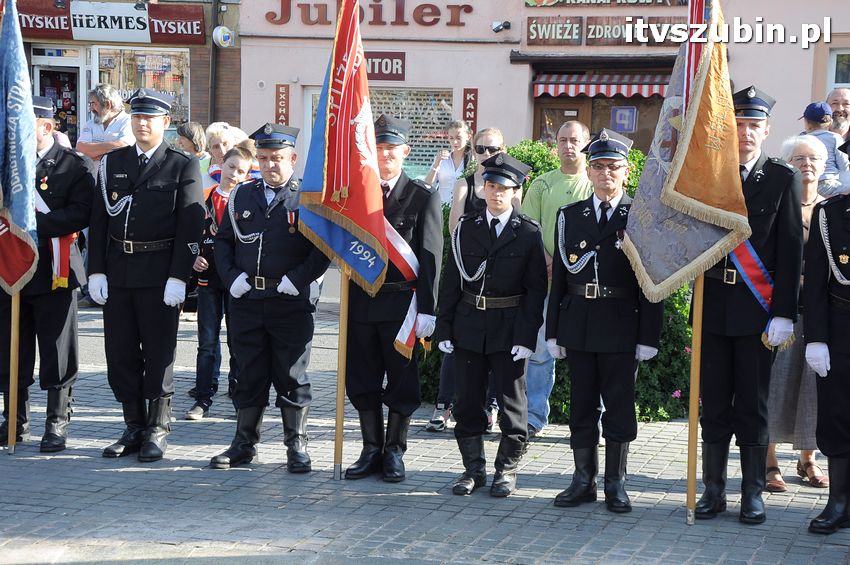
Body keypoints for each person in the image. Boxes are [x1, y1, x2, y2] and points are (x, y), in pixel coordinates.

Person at [695, 86, 803, 524]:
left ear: (766, 130)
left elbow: (792, 248)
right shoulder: (709, 176)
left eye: (754, 126)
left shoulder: (781, 178)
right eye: (739, 125)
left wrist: (783, 312)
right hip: (712, 306)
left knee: (753, 406)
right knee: (714, 404)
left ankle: (752, 493)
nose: (746, 134)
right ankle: (713, 491)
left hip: (758, 312)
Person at [545, 129, 663, 513]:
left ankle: (616, 483)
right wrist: (553, 330)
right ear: (589, 172)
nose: (605, 174)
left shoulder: (640, 217)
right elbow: (560, 278)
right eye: (598, 167)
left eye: (613, 167)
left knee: (618, 405)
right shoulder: (570, 216)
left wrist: (648, 334)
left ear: (627, 172)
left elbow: (651, 281)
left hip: (621, 324)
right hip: (578, 321)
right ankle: (583, 480)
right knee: (580, 405)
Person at [88, 89, 204, 463]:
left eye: (150, 118)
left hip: (158, 274)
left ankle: (157, 427)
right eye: (137, 116)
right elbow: (99, 219)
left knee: (158, 353)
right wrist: (96, 270)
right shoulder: (114, 162)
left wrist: (179, 277)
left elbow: (191, 224)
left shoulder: (181, 164)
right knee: (120, 354)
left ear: (165, 123)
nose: (142, 123)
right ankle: (133, 425)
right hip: (119, 272)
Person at [211, 123, 330, 472]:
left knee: (291, 374)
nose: (269, 165)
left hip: (290, 300)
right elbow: (223, 242)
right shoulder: (241, 195)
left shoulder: (307, 197)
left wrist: (299, 278)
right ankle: (244, 444)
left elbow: (322, 248)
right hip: (248, 299)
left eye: (276, 158)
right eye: (262, 158)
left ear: (292, 158)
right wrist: (231, 277)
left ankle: (297, 445)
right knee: (248, 373)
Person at [436, 153, 547, 497]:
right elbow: (452, 281)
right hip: (470, 325)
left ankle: (507, 470)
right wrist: (445, 328)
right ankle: (473, 470)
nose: (496, 193)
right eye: (491, 186)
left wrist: (527, 336)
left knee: (513, 406)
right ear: (482, 189)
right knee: (468, 402)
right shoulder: (466, 228)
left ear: (516, 191)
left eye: (504, 188)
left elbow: (535, 291)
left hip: (509, 328)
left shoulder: (528, 233)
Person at [344, 115, 442, 483]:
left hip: (403, 306)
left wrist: (429, 310)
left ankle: (395, 451)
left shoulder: (422, 197)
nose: (384, 156)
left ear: (405, 152)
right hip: (362, 301)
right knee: (362, 379)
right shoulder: (356, 197)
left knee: (402, 383)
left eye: (391, 149)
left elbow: (432, 257)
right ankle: (370, 448)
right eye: (378, 148)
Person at [0, 97, 94, 451]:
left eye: (26, 127)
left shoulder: (74, 166)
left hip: (55, 272)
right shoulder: (7, 166)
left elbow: (81, 213)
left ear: (47, 127)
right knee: (10, 347)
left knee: (57, 348)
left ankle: (56, 420)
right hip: (10, 270)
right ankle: (14, 419)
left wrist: (32, 226)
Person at [427, 127, 510, 433]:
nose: (486, 154)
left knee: (496, 346)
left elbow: (517, 227)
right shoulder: (464, 183)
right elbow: (455, 228)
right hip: (467, 273)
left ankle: (491, 406)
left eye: (492, 148)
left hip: (500, 280)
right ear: (473, 151)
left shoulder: (513, 184)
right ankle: (443, 404)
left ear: (502, 149)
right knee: (455, 344)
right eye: (480, 148)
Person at [521, 120, 594, 438]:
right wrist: (548, 260)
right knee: (539, 355)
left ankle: (595, 421)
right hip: (546, 283)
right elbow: (528, 228)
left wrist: (570, 266)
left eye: (574, 140)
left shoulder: (594, 183)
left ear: (586, 142)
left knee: (592, 355)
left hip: (582, 287)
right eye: (562, 140)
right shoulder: (542, 185)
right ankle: (535, 416)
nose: (568, 146)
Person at [765, 136, 829, 493]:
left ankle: (808, 459)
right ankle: (769, 460)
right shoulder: (777, 205)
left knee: (813, 389)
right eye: (799, 158)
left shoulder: (830, 209)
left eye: (815, 159)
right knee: (776, 383)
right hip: (781, 310)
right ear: (788, 163)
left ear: (824, 166)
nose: (807, 164)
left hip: (821, 312)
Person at [184, 146, 254, 420]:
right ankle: (203, 398)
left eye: (241, 171)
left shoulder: (248, 202)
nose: (234, 174)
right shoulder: (203, 199)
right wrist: (194, 258)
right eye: (231, 167)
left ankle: (239, 396)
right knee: (207, 342)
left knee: (238, 340)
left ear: (247, 175)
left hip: (237, 281)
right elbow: (190, 235)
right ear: (221, 165)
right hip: (207, 280)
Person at [802, 181, 850, 535]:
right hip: (840, 329)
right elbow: (816, 281)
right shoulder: (829, 214)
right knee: (837, 416)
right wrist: (816, 338)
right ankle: (838, 502)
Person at [75, 83, 135, 165]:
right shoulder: (90, 124)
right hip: (93, 176)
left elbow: (125, 147)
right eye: (90, 104)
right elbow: (80, 149)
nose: (91, 108)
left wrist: (93, 152)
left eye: (94, 104)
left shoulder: (128, 121)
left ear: (108, 104)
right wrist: (113, 151)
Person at [799, 102, 849, 197]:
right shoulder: (835, 138)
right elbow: (844, 165)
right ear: (830, 122)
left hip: (806, 186)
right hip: (829, 184)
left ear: (806, 122)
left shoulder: (800, 139)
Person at [423, 120, 472, 206]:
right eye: (451, 138)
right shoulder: (442, 159)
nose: (454, 142)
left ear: (468, 136)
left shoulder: (472, 161)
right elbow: (427, 185)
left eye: (458, 138)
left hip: (464, 209)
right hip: (441, 209)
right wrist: (436, 164)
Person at [204, 122, 249, 191]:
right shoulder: (202, 179)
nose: (222, 151)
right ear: (211, 153)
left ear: (234, 146)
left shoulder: (248, 173)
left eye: (225, 144)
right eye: (216, 147)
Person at [176, 122, 212, 191]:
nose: (179, 141)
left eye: (183, 138)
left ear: (193, 138)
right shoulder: (182, 160)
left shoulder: (210, 160)